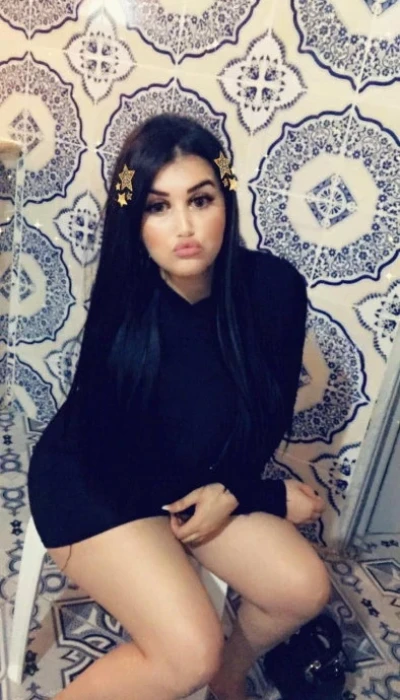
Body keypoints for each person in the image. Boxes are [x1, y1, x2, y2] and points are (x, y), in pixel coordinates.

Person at [28, 113, 329, 700]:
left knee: (303, 587)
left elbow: (267, 416)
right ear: (134, 220)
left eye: (200, 199)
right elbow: (129, 453)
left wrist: (234, 491)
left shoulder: (275, 288)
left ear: (226, 200)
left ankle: (228, 678)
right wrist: (265, 497)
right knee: (187, 652)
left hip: (192, 479)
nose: (185, 227)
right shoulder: (125, 307)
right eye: (158, 207)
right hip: (97, 481)